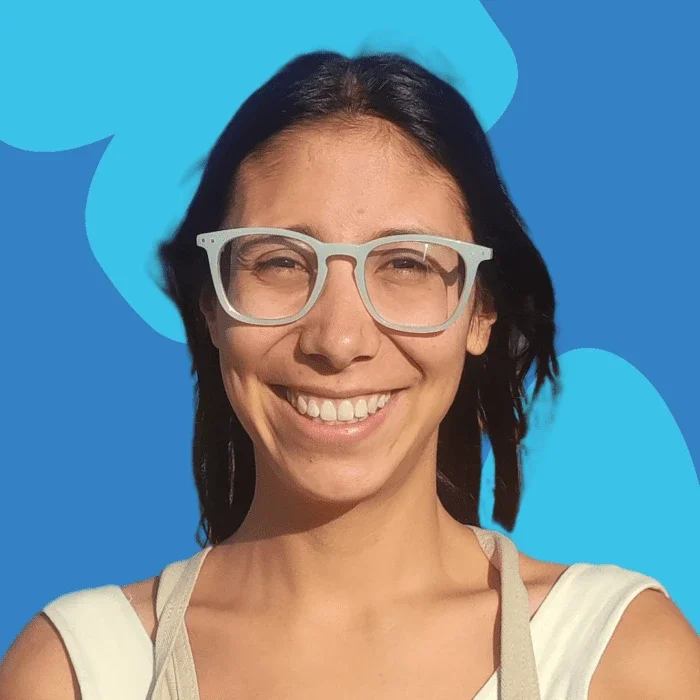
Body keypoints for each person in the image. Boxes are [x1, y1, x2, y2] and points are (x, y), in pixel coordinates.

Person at [1, 51, 698, 700]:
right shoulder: (78, 671)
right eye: (280, 261)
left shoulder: (618, 658)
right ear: (210, 304)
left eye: (406, 264)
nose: (337, 340)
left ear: (480, 310)